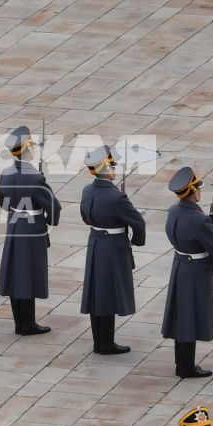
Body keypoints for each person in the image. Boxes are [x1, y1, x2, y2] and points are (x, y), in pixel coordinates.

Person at [78, 144, 145, 354]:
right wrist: (137, 241)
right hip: (113, 246)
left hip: (95, 242)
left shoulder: (88, 190)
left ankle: (99, 340)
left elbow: (84, 215)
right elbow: (138, 223)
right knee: (107, 295)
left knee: (97, 293)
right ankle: (105, 343)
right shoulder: (117, 197)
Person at [161, 166, 213, 377]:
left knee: (182, 317)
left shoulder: (173, 211)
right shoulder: (199, 219)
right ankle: (186, 366)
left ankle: (182, 362)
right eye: (198, 188)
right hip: (196, 270)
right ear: (192, 191)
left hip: (180, 264)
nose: (200, 191)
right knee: (189, 317)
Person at [0, 126, 60, 336]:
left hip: (14, 225)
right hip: (32, 229)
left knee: (16, 274)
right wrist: (49, 222)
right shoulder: (34, 178)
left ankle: (19, 322)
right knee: (29, 274)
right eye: (31, 146)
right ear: (25, 149)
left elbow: (3, 203)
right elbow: (53, 206)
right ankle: (28, 324)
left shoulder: (6, 173)